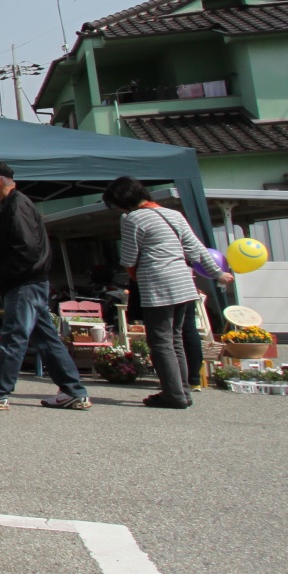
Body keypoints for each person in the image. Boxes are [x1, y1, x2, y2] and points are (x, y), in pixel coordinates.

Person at [0, 161, 92, 411]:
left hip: (24, 282)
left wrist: (10, 276)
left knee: (14, 336)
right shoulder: (14, 204)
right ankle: (73, 390)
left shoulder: (16, 206)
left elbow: (27, 248)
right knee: (46, 338)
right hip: (30, 281)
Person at [103, 175, 231, 409]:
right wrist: (217, 273)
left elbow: (129, 257)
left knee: (160, 342)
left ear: (123, 200)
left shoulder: (134, 218)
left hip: (157, 284)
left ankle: (173, 394)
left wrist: (133, 275)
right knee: (176, 340)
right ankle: (182, 390)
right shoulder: (174, 215)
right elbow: (197, 248)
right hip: (184, 282)